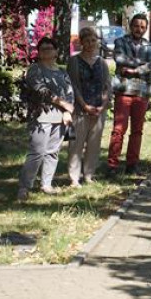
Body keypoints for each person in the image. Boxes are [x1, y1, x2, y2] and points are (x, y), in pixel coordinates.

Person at [17, 37, 75, 201]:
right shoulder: (35, 69)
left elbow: (70, 92)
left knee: (53, 152)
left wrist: (67, 111)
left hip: (60, 118)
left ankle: (46, 184)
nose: (47, 51)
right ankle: (24, 187)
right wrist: (64, 104)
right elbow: (41, 91)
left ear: (56, 51)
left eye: (50, 48)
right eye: (43, 49)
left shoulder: (62, 71)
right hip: (42, 116)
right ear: (39, 53)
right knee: (37, 152)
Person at [108, 13, 151, 175]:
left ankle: (132, 164)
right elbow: (120, 58)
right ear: (131, 26)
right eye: (136, 26)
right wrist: (142, 65)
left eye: (143, 27)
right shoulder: (120, 41)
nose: (139, 29)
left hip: (141, 93)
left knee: (137, 130)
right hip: (124, 91)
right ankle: (113, 165)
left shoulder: (149, 46)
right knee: (118, 129)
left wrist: (134, 70)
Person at [66, 27, 111, 187]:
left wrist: (102, 106)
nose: (91, 43)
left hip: (99, 110)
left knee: (94, 143)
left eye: (93, 40)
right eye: (87, 40)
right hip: (80, 109)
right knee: (76, 144)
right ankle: (74, 177)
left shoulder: (102, 62)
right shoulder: (74, 61)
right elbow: (73, 86)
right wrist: (85, 106)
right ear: (81, 42)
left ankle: (89, 175)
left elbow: (107, 86)